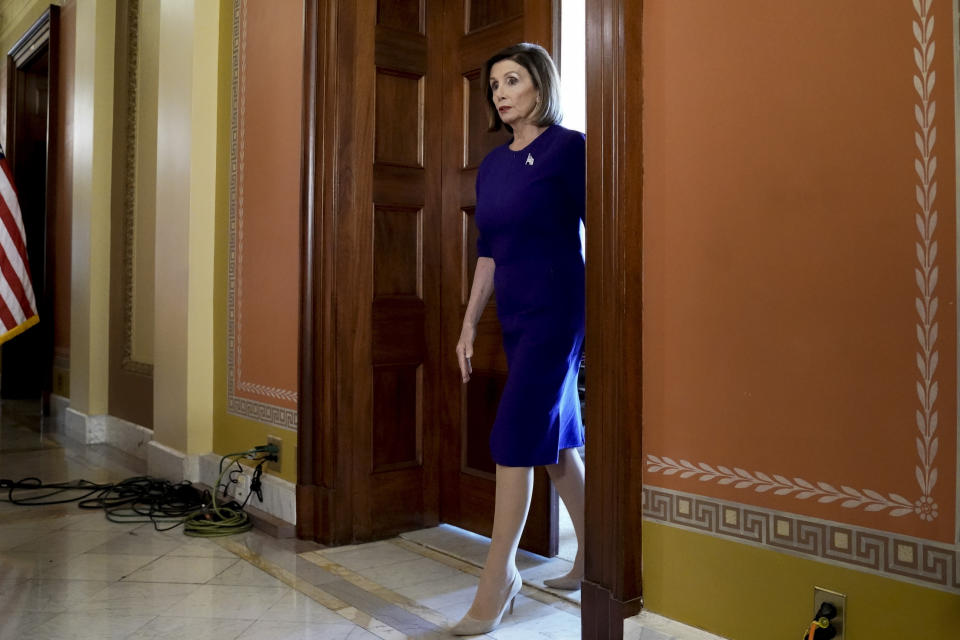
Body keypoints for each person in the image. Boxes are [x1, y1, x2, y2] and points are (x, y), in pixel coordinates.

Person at [452, 42, 586, 636]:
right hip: (516, 313)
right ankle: (597, 555)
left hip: (559, 311)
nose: (501, 93)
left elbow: (600, 234)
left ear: (540, 85)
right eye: (494, 86)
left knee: (513, 436)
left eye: (512, 80)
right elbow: (489, 251)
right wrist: (469, 322)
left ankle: (499, 577)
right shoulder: (493, 164)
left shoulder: (569, 148)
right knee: (555, 448)